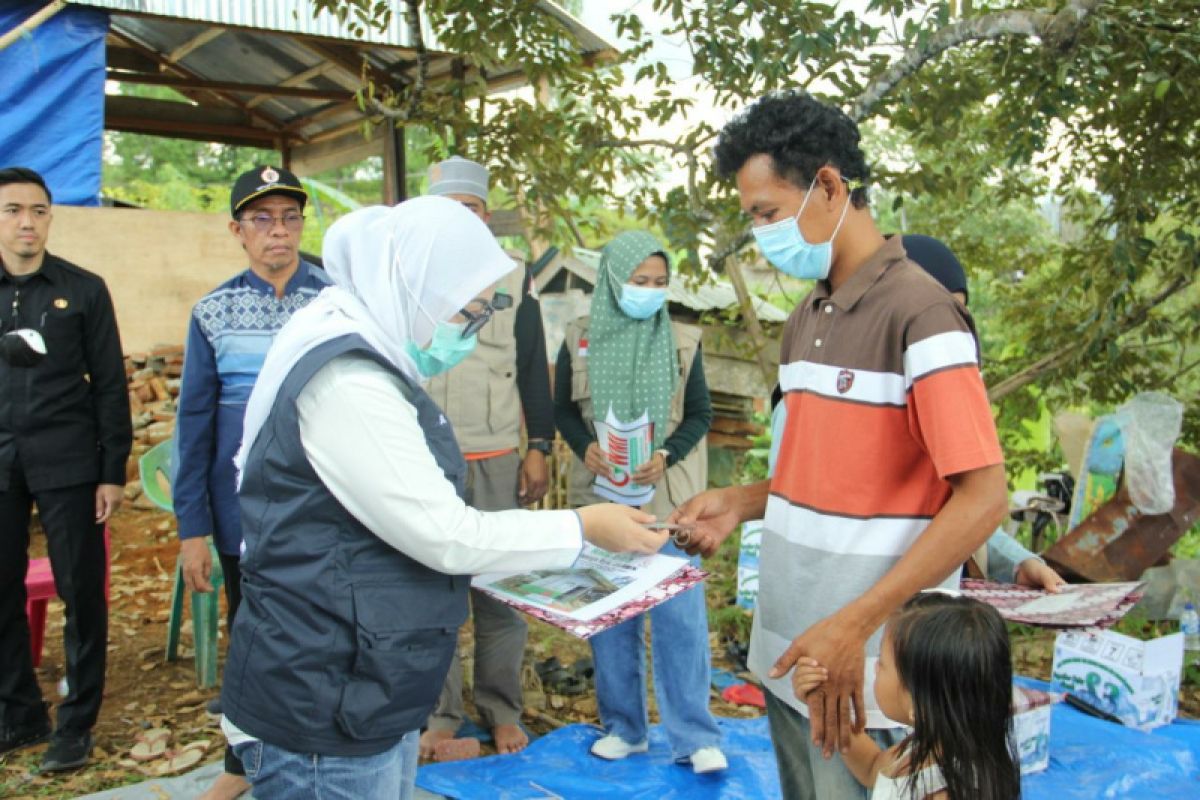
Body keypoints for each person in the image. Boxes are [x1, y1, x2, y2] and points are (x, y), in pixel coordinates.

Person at [219, 198, 668, 799]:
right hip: (327, 693)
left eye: (485, 313)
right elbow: (446, 534)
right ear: (414, 288)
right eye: (467, 312)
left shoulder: (354, 337)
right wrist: (583, 527)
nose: (470, 330)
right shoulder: (350, 382)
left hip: (356, 677)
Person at [669, 91, 1008, 799]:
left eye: (767, 213)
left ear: (828, 186)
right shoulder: (805, 317)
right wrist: (741, 501)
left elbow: (983, 497)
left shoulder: (922, 315)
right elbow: (829, 478)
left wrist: (856, 626)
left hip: (874, 671)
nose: (760, 232)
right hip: (793, 653)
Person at [765, 234, 1065, 592]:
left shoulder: (944, 388)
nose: (942, 332)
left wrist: (1016, 562)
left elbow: (952, 507)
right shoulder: (819, 396)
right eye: (933, 313)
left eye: (955, 315)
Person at [172, 165, 329, 799]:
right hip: (246, 518)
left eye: (290, 217)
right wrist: (193, 529)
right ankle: (245, 769)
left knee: (325, 632)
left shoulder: (337, 300)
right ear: (237, 231)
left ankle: (322, 756)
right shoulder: (213, 313)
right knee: (254, 640)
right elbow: (195, 428)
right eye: (262, 219)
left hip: (328, 508)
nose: (279, 232)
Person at [554, 230, 726, 774]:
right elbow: (559, 410)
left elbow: (700, 413)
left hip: (667, 503)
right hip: (602, 503)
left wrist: (668, 454)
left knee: (680, 619)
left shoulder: (682, 341)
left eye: (660, 282)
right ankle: (625, 729)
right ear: (611, 279)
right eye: (639, 280)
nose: (650, 291)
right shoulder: (578, 336)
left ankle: (694, 737)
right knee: (611, 615)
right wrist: (585, 449)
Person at [419, 156, 554, 758]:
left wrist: (539, 448)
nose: (462, 219)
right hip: (425, 462)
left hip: (499, 456)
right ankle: (440, 714)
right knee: (431, 594)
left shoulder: (513, 277)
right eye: (451, 208)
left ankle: (501, 709)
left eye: (472, 209)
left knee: (501, 591)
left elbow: (532, 366)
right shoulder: (409, 277)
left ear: (485, 215)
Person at [0, 167, 132, 771]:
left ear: (51, 217)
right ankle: (19, 713)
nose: (27, 221)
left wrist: (112, 470)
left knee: (82, 594)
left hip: (70, 463)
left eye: (38, 210)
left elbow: (109, 385)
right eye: (12, 210)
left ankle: (74, 726)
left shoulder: (83, 290)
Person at [793, 592, 1021, 800]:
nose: (875, 669)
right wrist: (826, 705)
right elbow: (873, 768)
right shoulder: (929, 748)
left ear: (919, 704)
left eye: (881, 663)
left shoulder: (942, 792)